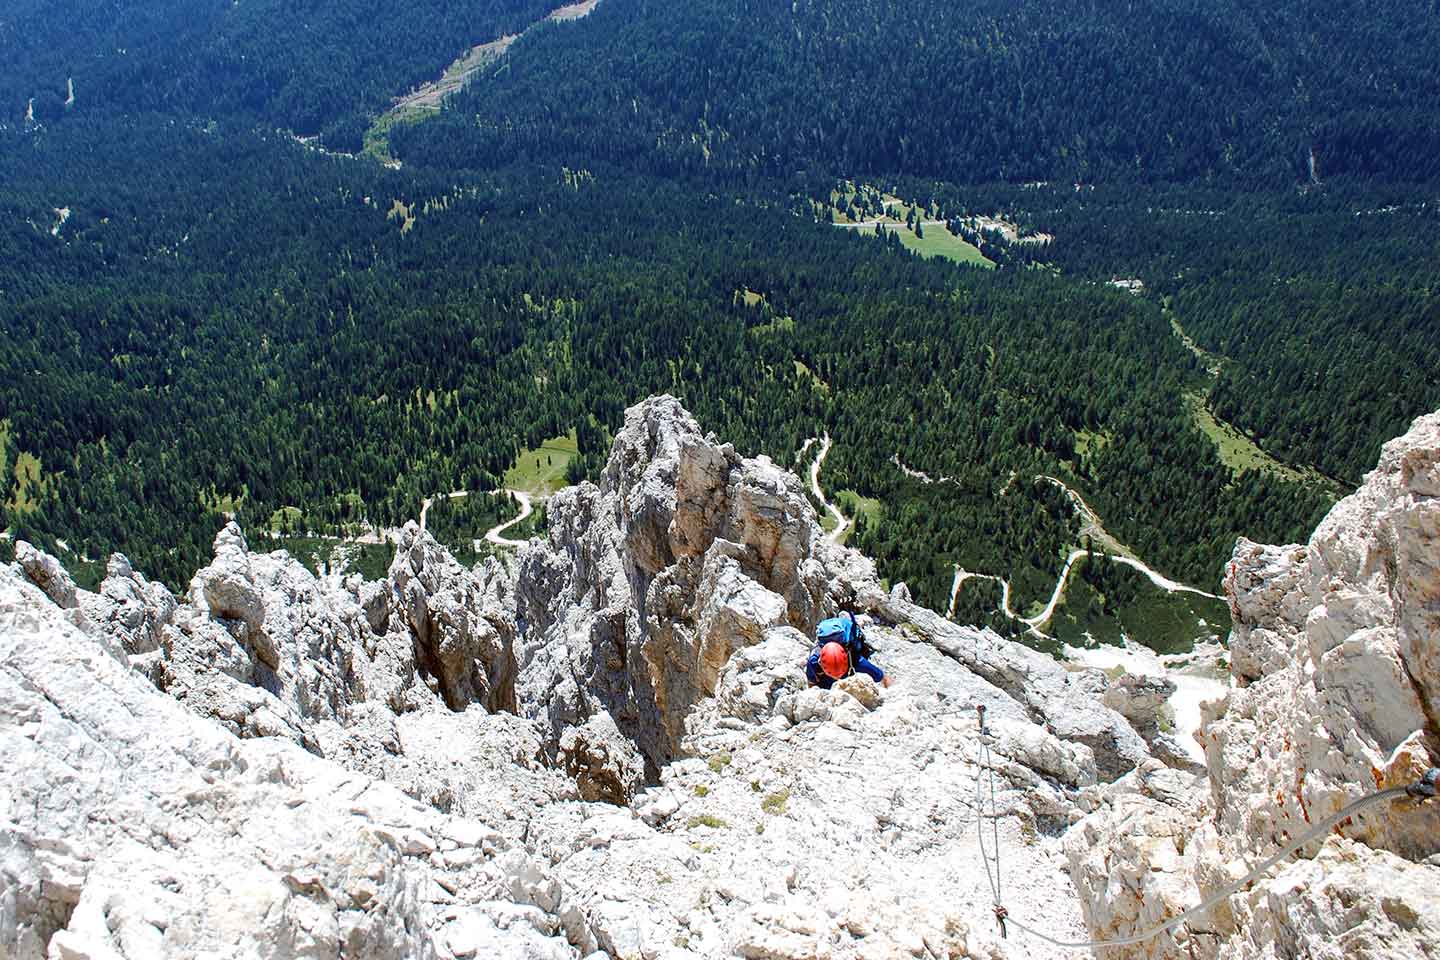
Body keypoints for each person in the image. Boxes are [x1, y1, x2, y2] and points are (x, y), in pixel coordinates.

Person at [806, 611, 891, 689]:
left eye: (840, 674)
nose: (837, 678)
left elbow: (883, 677)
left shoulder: (855, 660)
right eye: (834, 675)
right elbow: (811, 685)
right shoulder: (813, 662)